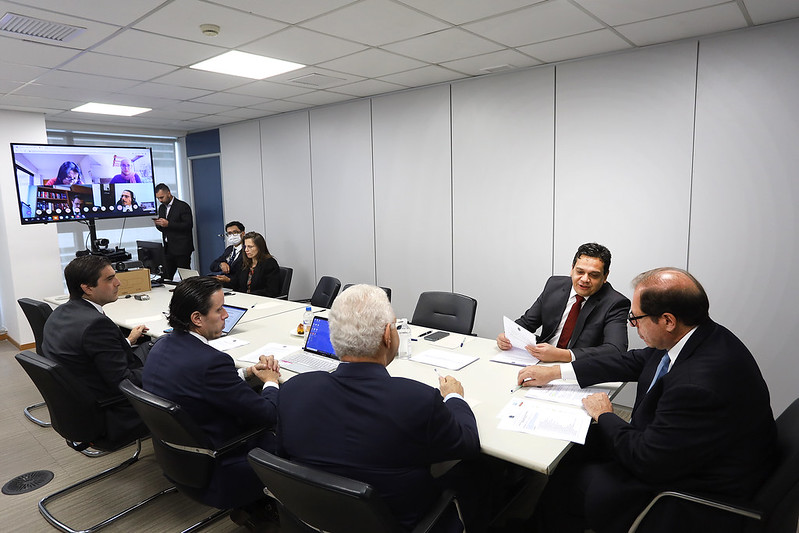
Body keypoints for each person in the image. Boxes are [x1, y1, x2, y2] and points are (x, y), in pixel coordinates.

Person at [520, 268, 777, 533]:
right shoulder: (700, 335)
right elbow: (633, 360)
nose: (633, 324)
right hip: (683, 451)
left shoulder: (696, 386)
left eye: (636, 318)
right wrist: (556, 371)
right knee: (580, 445)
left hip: (691, 489)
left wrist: (605, 415)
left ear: (667, 320)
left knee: (576, 480)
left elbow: (646, 460)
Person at [278, 284, 482, 533]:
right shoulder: (417, 401)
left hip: (318, 521)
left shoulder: (293, 391)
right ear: (388, 335)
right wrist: (454, 398)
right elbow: (468, 444)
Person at [143, 276, 280, 531]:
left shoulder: (161, 345)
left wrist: (248, 372)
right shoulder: (210, 362)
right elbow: (267, 413)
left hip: (178, 457)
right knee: (291, 420)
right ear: (197, 318)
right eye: (219, 310)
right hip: (220, 462)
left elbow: (197, 386)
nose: (227, 315)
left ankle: (254, 508)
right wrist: (271, 381)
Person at [41, 255, 151, 445]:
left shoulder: (60, 312)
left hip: (81, 404)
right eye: (109, 279)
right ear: (87, 288)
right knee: (176, 365)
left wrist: (128, 340)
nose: (118, 283)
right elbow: (124, 381)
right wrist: (163, 369)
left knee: (151, 346)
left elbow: (90, 354)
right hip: (113, 409)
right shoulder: (96, 324)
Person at [497, 242, 630, 362]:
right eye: (580, 271)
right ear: (572, 269)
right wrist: (508, 336)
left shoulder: (615, 303)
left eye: (593, 275)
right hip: (539, 361)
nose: (584, 279)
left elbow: (615, 350)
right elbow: (527, 323)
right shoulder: (554, 285)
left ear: (605, 276)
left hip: (577, 368)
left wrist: (562, 355)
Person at [154, 183, 194, 280]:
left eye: (162, 197)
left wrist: (168, 224)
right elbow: (164, 229)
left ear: (168, 193)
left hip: (182, 248)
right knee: (166, 276)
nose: (160, 200)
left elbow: (188, 225)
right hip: (168, 248)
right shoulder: (162, 208)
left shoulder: (182, 206)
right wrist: (159, 225)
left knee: (185, 277)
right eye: (158, 198)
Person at [225, 232, 280, 297]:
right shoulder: (244, 262)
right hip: (243, 299)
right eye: (245, 246)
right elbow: (238, 284)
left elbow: (271, 291)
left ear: (260, 247)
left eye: (250, 247)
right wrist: (224, 281)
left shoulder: (270, 263)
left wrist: (248, 296)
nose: (246, 250)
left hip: (260, 301)